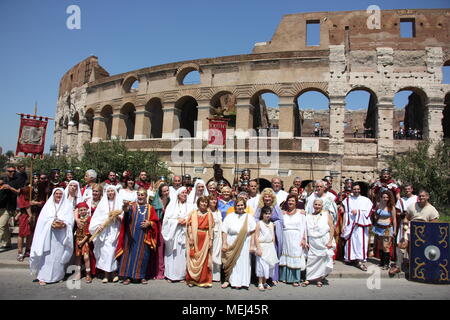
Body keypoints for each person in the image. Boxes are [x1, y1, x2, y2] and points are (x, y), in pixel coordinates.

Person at [29, 188, 74, 285]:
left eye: (60, 194)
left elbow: (70, 220)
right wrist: (51, 222)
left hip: (61, 235)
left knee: (58, 255)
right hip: (48, 235)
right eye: (56, 194)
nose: (58, 196)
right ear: (53, 195)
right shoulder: (47, 206)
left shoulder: (67, 206)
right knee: (47, 256)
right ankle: (43, 277)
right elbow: (42, 221)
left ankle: (58, 276)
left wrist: (64, 224)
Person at [116, 188, 159, 285]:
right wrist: (125, 206)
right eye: (139, 195)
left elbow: (156, 222)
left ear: (146, 196)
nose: (140, 197)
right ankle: (127, 277)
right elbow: (126, 211)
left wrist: (150, 223)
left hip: (143, 237)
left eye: (142, 195)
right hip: (131, 236)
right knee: (128, 256)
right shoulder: (132, 206)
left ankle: (141, 276)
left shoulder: (150, 208)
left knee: (143, 257)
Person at [89, 185, 123, 283]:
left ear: (115, 192)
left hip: (115, 230)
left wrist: (117, 217)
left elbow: (124, 216)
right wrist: (98, 226)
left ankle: (114, 273)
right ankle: (106, 275)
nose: (110, 193)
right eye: (109, 191)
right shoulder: (102, 204)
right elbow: (97, 217)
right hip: (104, 231)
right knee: (105, 252)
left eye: (112, 191)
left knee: (112, 251)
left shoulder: (119, 203)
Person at [221, 197, 256, 289]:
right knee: (231, 261)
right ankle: (228, 280)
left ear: (245, 206)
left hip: (245, 242)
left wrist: (252, 245)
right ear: (235, 206)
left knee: (243, 262)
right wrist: (224, 243)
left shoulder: (249, 217)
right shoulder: (229, 216)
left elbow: (253, 232)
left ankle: (243, 282)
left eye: (242, 205)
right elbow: (224, 231)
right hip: (231, 241)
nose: (240, 207)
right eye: (238, 205)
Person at [254, 188, 284, 283]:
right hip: (262, 234)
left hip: (274, 234)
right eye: (265, 196)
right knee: (262, 257)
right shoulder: (260, 207)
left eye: (269, 197)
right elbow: (255, 219)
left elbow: (281, 220)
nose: (267, 198)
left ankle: (273, 278)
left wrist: (275, 224)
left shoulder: (275, 207)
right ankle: (261, 278)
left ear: (272, 198)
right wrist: (261, 225)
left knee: (273, 255)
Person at [341, 183, 373, 271]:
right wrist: (344, 225)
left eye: (358, 189)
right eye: (354, 189)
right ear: (351, 189)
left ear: (360, 190)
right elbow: (346, 213)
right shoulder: (347, 200)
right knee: (350, 242)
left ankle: (359, 259)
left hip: (360, 225)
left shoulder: (365, 200)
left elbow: (368, 212)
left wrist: (358, 212)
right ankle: (350, 258)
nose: (356, 191)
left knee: (360, 242)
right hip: (350, 224)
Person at [303, 199, 335, 287]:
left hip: (323, 240)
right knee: (311, 259)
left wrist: (330, 241)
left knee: (322, 260)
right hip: (313, 241)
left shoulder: (326, 214)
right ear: (313, 205)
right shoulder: (308, 216)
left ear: (322, 206)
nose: (317, 206)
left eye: (319, 205)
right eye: (315, 204)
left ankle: (319, 279)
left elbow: (332, 227)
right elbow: (305, 230)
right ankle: (308, 278)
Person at [185, 196, 214, 288]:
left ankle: (204, 280)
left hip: (205, 239)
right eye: (202, 202)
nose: (204, 204)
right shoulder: (193, 213)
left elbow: (211, 229)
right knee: (193, 259)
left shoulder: (209, 214)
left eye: (206, 202)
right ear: (198, 203)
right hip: (195, 237)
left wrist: (210, 240)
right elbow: (189, 226)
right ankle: (191, 280)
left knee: (204, 259)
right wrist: (190, 237)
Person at [162, 187, 189, 282]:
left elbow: (192, 217)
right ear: (178, 194)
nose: (185, 194)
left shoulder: (189, 205)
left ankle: (181, 275)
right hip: (174, 234)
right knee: (173, 254)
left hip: (185, 233)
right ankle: (171, 275)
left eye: (186, 193)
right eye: (183, 193)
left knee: (182, 255)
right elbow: (166, 220)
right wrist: (177, 221)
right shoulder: (171, 205)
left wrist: (186, 220)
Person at [389, 184, 418, 275]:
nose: (407, 191)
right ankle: (398, 265)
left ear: (412, 189)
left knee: (413, 243)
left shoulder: (417, 198)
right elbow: (397, 212)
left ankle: (413, 264)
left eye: (409, 189)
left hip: (414, 223)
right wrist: (401, 214)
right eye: (405, 189)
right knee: (400, 243)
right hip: (403, 224)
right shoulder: (401, 200)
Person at [279, 195, 307, 286]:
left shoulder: (300, 213)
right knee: (286, 255)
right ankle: (285, 277)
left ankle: (295, 278)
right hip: (285, 236)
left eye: (293, 201)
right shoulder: (283, 213)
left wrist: (303, 238)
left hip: (296, 237)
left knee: (295, 255)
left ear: (296, 203)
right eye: (289, 201)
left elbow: (304, 227)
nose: (291, 202)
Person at [255, 206, 279, 291]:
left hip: (270, 246)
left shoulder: (272, 224)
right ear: (262, 214)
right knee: (262, 265)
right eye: (266, 213)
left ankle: (265, 282)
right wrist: (258, 248)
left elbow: (273, 236)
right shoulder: (259, 223)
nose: (267, 215)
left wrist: (273, 247)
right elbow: (256, 237)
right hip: (262, 246)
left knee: (269, 265)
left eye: (269, 213)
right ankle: (260, 283)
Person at [149, 183, 170, 280]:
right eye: (164, 191)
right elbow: (153, 215)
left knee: (167, 248)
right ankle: (158, 271)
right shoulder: (156, 201)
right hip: (159, 226)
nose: (166, 192)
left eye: (167, 190)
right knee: (159, 249)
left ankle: (167, 270)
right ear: (160, 192)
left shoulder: (170, 200)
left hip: (169, 226)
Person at [372, 191, 397, 270]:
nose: (385, 199)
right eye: (384, 197)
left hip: (387, 228)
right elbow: (375, 214)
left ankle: (387, 263)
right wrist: (375, 216)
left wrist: (395, 230)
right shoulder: (378, 205)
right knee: (380, 245)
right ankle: (381, 262)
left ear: (389, 198)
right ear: (381, 198)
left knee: (386, 246)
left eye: (387, 197)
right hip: (379, 227)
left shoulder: (391, 207)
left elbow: (394, 219)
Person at [0, 165, 22, 252]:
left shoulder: (17, 181)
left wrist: (10, 188)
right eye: (10, 171)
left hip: (9, 207)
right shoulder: (3, 179)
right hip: (1, 205)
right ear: (6, 171)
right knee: (4, 226)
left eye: (13, 171)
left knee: (1, 225)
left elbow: (19, 192)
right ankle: (7, 243)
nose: (12, 172)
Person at [73, 202, 93, 283]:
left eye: (84, 209)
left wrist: (83, 241)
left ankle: (88, 274)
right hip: (77, 239)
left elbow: (88, 232)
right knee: (78, 257)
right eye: (81, 210)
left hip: (85, 240)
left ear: (87, 210)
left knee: (86, 257)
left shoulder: (89, 219)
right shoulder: (77, 218)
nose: (83, 211)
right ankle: (78, 273)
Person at [208, 194, 222, 282]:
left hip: (218, 235)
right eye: (212, 200)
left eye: (215, 200)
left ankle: (216, 276)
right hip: (210, 235)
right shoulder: (207, 211)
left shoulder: (218, 211)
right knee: (209, 254)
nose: (214, 201)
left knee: (217, 253)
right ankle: (208, 275)